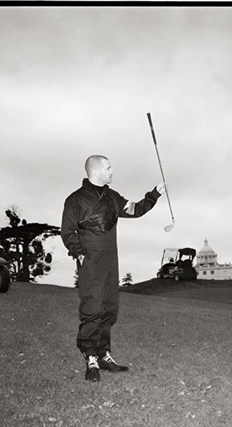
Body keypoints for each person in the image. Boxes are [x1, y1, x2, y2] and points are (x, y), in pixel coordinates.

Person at [61, 155, 166, 382]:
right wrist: (79, 252)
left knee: (110, 307)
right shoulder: (75, 200)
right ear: (96, 171)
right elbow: (67, 231)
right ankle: (90, 358)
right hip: (90, 261)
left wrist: (155, 193)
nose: (112, 172)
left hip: (111, 260)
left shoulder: (113, 197)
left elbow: (135, 209)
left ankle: (103, 355)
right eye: (108, 168)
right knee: (92, 308)